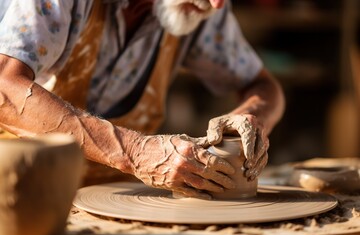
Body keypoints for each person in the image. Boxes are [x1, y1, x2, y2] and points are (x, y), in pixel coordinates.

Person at [0, 0, 285, 199]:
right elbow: (4, 89)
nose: (218, 4)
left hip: (113, 200)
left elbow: (263, 86)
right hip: (19, 194)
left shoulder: (203, 7)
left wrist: (252, 115)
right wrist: (137, 151)